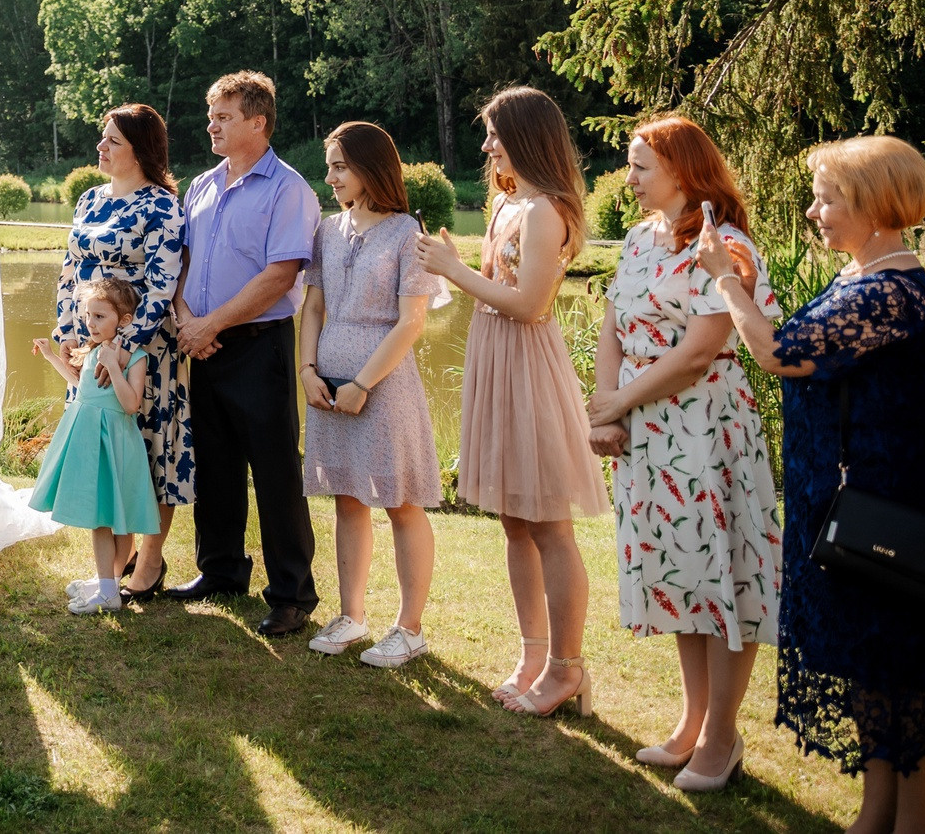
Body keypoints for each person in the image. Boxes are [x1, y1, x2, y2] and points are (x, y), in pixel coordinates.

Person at [697, 136, 925, 833]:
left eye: (827, 198)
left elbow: (780, 353)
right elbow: (798, 341)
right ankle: (876, 812)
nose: (814, 211)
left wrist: (723, 281)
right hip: (841, 501)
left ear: (873, 206)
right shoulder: (858, 280)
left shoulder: (893, 291)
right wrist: (748, 290)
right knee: (871, 667)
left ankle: (917, 823)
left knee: (904, 671)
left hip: (884, 502)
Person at [584, 116, 781, 790]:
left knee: (722, 572)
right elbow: (613, 323)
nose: (630, 178)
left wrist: (620, 401)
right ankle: (692, 720)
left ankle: (722, 736)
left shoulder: (724, 243)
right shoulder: (638, 239)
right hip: (646, 427)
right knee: (678, 571)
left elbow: (700, 352)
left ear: (682, 170)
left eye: (641, 166)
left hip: (705, 426)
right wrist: (608, 404)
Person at [415, 86, 603, 717]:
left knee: (548, 521)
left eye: (496, 132)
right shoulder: (505, 202)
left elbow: (530, 304)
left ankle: (565, 668)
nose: (487, 144)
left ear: (526, 136)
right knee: (514, 521)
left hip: (529, 363)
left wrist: (451, 267)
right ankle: (532, 653)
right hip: (496, 359)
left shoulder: (547, 210)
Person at [163, 71, 319, 637]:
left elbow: (279, 276)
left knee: (275, 472)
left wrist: (210, 325)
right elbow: (182, 263)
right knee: (216, 466)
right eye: (212, 116)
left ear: (258, 121)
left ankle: (291, 595)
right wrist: (187, 322)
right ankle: (222, 571)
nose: (212, 125)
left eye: (224, 117)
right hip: (203, 346)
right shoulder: (201, 185)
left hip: (258, 347)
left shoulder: (289, 190)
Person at [298, 120, 446, 669]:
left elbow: (412, 323)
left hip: (383, 385)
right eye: (330, 166)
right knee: (346, 498)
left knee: (400, 501)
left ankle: (410, 628)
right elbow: (312, 307)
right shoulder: (327, 232)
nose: (331, 176)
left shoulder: (408, 232)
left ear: (370, 168)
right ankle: (352, 615)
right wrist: (307, 370)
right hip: (326, 383)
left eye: (340, 166)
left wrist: (363, 383)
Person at [50, 104, 189, 602]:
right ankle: (111, 569)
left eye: (112, 141)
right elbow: (70, 273)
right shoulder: (89, 200)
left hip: (141, 352)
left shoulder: (163, 207)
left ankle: (148, 565)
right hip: (93, 346)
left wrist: (116, 349)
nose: (101, 147)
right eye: (102, 137)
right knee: (104, 455)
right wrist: (71, 335)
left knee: (146, 455)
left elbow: (160, 286)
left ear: (141, 150)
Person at [30, 280, 164, 614]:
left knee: (116, 519)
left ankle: (109, 589)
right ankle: (107, 585)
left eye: (100, 316)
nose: (90, 323)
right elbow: (80, 384)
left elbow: (131, 404)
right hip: (88, 439)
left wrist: (115, 366)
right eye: (88, 315)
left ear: (124, 320)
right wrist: (50, 355)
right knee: (100, 516)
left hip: (114, 441)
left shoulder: (134, 357)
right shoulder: (92, 349)